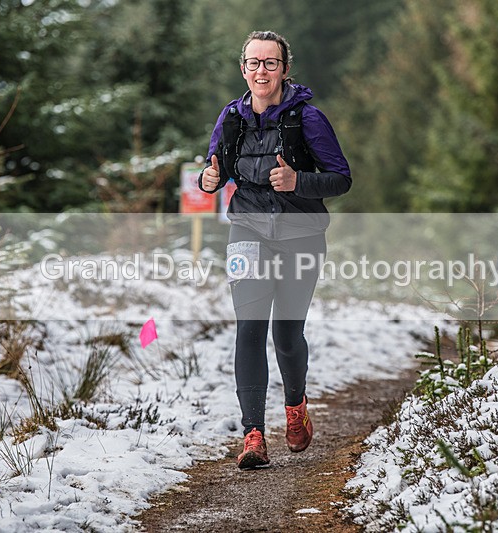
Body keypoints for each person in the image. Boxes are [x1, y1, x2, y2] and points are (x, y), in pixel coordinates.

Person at [199, 30, 351, 470]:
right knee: (249, 329)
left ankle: (295, 404)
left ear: (285, 69)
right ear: (242, 68)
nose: (261, 71)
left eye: (270, 62)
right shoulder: (231, 117)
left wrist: (298, 182)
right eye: (253, 63)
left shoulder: (309, 119)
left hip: (300, 236)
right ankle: (253, 435)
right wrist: (208, 182)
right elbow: (214, 170)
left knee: (285, 335)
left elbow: (340, 178)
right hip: (246, 231)